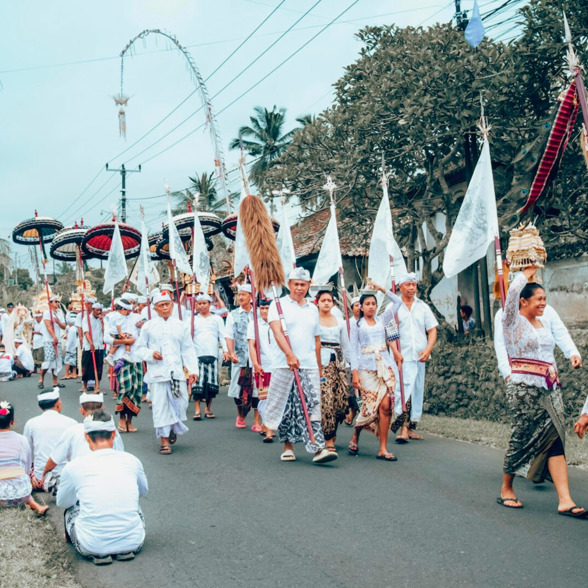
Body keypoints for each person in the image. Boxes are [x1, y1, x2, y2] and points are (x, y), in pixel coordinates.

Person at [497, 266, 585, 517]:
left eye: (545, 299)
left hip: (550, 389)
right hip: (524, 391)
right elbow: (513, 290)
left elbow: (557, 339)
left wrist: (572, 354)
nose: (543, 303)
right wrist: (528, 270)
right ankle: (506, 488)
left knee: (556, 437)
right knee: (521, 436)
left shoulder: (543, 320)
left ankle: (565, 500)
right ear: (523, 301)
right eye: (539, 299)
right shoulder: (510, 320)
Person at [57, 410, 148, 566]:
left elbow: (63, 502)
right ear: (114, 434)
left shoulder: (74, 466)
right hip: (134, 542)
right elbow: (143, 491)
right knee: (136, 505)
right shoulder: (132, 460)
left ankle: (98, 552)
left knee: (71, 511)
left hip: (90, 546)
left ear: (86, 436)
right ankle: (124, 548)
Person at [265, 267, 337, 464]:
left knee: (312, 405)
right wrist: (289, 354)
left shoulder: (313, 309)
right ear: (289, 285)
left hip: (309, 365)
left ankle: (318, 448)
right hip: (284, 364)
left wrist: (319, 366)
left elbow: (316, 341)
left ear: (308, 286)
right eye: (295, 284)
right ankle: (288, 446)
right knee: (288, 406)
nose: (299, 288)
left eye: (302, 285)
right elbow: (277, 333)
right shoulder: (277, 305)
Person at [374, 274, 438, 443]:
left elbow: (432, 330)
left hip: (419, 356)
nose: (411, 288)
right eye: (408, 284)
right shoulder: (394, 308)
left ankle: (410, 427)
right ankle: (401, 427)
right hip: (400, 357)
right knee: (403, 390)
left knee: (416, 390)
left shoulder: (423, 307)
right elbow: (388, 332)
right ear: (400, 287)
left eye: (413, 284)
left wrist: (428, 349)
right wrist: (394, 351)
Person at [135, 292, 199, 455]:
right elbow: (139, 349)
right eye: (161, 305)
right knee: (161, 407)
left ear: (172, 305)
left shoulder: (181, 325)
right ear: (155, 308)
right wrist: (151, 354)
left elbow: (188, 349)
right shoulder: (148, 326)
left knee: (181, 404)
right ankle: (164, 441)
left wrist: (192, 370)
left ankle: (171, 428)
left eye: (167, 304)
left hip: (176, 373)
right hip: (157, 374)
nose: (165, 308)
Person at [348, 291, 402, 461]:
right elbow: (353, 350)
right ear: (361, 307)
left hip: (384, 366)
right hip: (366, 369)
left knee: (385, 406)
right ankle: (356, 433)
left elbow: (398, 302)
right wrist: (354, 373)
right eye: (367, 304)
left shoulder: (382, 319)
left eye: (373, 303)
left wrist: (381, 288)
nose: (371, 306)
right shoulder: (356, 326)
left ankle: (383, 448)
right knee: (369, 408)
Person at [42, 393, 124, 486]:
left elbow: (54, 459)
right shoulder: (112, 430)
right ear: (102, 409)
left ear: (82, 411)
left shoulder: (73, 430)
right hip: (110, 478)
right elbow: (120, 453)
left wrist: (44, 475)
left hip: (81, 480)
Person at [316, 290, 351, 452]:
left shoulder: (340, 322)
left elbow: (345, 346)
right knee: (326, 400)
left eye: (329, 300)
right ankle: (327, 438)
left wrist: (352, 366)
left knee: (340, 401)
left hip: (337, 364)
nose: (326, 303)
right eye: (323, 300)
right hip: (321, 365)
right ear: (317, 302)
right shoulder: (313, 320)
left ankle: (333, 429)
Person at [23, 388, 77, 492]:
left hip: (40, 480)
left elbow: (26, 453)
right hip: (66, 478)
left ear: (40, 406)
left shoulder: (31, 423)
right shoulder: (72, 423)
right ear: (58, 403)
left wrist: (30, 476)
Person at [0, 400, 49, 514]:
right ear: (12, 421)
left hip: (1, 496)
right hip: (21, 495)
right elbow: (26, 469)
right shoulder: (22, 440)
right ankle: (37, 506)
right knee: (22, 481)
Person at [225, 284, 260, 430]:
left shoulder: (258, 314)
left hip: (257, 358)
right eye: (239, 295)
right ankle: (240, 414)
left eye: (243, 294)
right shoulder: (233, 315)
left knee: (258, 389)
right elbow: (229, 335)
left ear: (251, 297)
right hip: (240, 357)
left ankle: (257, 421)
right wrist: (231, 352)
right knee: (237, 389)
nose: (240, 297)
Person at [188, 294, 228, 420]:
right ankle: (197, 409)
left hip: (213, 354)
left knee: (211, 384)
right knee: (197, 384)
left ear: (209, 304)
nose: (202, 306)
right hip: (197, 354)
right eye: (199, 303)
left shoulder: (217, 319)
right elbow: (187, 338)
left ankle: (208, 409)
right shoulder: (192, 320)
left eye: (204, 303)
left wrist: (226, 351)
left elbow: (222, 336)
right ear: (196, 305)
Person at [105, 303, 143, 433]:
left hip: (137, 357)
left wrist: (142, 326)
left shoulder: (138, 317)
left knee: (136, 389)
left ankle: (130, 421)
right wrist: (125, 341)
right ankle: (121, 419)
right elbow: (107, 338)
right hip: (121, 357)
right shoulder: (111, 317)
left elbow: (144, 336)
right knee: (125, 387)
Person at [248, 297, 280, 443]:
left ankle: (270, 424)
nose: (265, 311)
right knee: (264, 398)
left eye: (267, 308)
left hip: (279, 365)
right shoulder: (254, 325)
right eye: (262, 308)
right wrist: (255, 363)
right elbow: (252, 345)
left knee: (277, 398)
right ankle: (268, 430)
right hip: (263, 367)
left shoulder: (278, 322)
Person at [39, 296, 66, 390]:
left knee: (56, 360)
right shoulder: (47, 313)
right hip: (49, 340)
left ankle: (55, 381)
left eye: (58, 301)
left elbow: (64, 326)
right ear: (50, 303)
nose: (57, 303)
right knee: (49, 360)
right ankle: (41, 378)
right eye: (55, 301)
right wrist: (53, 336)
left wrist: (58, 322)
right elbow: (48, 326)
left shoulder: (59, 313)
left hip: (57, 340)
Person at [344, 296, 362, 426]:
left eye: (361, 304)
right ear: (351, 308)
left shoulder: (368, 322)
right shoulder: (347, 324)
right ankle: (353, 410)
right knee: (351, 391)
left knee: (363, 391)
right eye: (356, 305)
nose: (359, 307)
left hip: (365, 361)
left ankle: (358, 414)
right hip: (350, 362)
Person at [81, 302, 104, 393]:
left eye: (100, 310)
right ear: (93, 310)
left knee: (99, 367)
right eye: (97, 310)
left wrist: (102, 322)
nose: (99, 312)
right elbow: (86, 332)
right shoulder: (86, 318)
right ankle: (85, 386)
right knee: (86, 366)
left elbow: (103, 331)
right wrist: (91, 343)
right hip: (89, 346)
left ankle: (97, 386)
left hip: (99, 346)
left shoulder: (101, 319)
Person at [105, 300, 133, 367]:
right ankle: (127, 354)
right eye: (127, 311)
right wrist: (122, 334)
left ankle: (110, 356)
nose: (127, 313)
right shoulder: (119, 316)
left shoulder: (112, 314)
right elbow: (118, 326)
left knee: (117, 345)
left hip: (112, 333)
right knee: (128, 340)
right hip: (117, 333)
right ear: (123, 309)